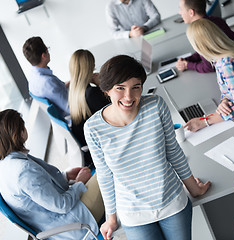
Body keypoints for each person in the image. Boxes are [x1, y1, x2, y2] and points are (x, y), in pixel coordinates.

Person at [84, 55, 211, 240]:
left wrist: (194, 188)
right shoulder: (93, 128)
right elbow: (104, 175)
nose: (129, 97)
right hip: (133, 213)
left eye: (136, 87)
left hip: (171, 201)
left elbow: (173, 151)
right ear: (107, 90)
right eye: (120, 88)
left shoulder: (156, 106)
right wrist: (111, 218)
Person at [0, 109, 104, 240]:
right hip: (74, 221)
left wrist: (65, 176)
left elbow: (41, 189)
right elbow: (62, 205)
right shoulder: (23, 172)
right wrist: (79, 182)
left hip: (62, 217)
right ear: (20, 133)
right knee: (105, 170)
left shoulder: (5, 163)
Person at [68, 49, 110, 166]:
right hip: (99, 148)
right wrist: (101, 86)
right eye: (93, 65)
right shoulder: (92, 93)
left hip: (88, 145)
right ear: (89, 69)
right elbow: (116, 111)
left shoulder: (74, 92)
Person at [176, 0, 234, 73]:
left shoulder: (201, 34)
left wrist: (188, 65)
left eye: (181, 9)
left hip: (232, 69)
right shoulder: (216, 20)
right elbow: (205, 50)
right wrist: (188, 60)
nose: (179, 12)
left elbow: (209, 67)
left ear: (191, 12)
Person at [23, 36, 69, 116]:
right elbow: (70, 108)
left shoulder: (33, 77)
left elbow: (58, 90)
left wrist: (76, 81)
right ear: (44, 55)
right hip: (73, 116)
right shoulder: (48, 82)